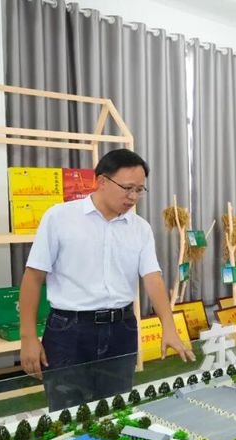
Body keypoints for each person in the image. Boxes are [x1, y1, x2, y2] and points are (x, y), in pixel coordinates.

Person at [19, 148, 195, 411]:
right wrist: (28, 337)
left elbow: (153, 278)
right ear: (101, 181)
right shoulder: (59, 218)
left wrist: (168, 326)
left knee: (116, 409)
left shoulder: (140, 229)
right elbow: (33, 278)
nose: (133, 197)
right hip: (69, 331)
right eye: (127, 188)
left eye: (139, 190)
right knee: (68, 412)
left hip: (121, 330)